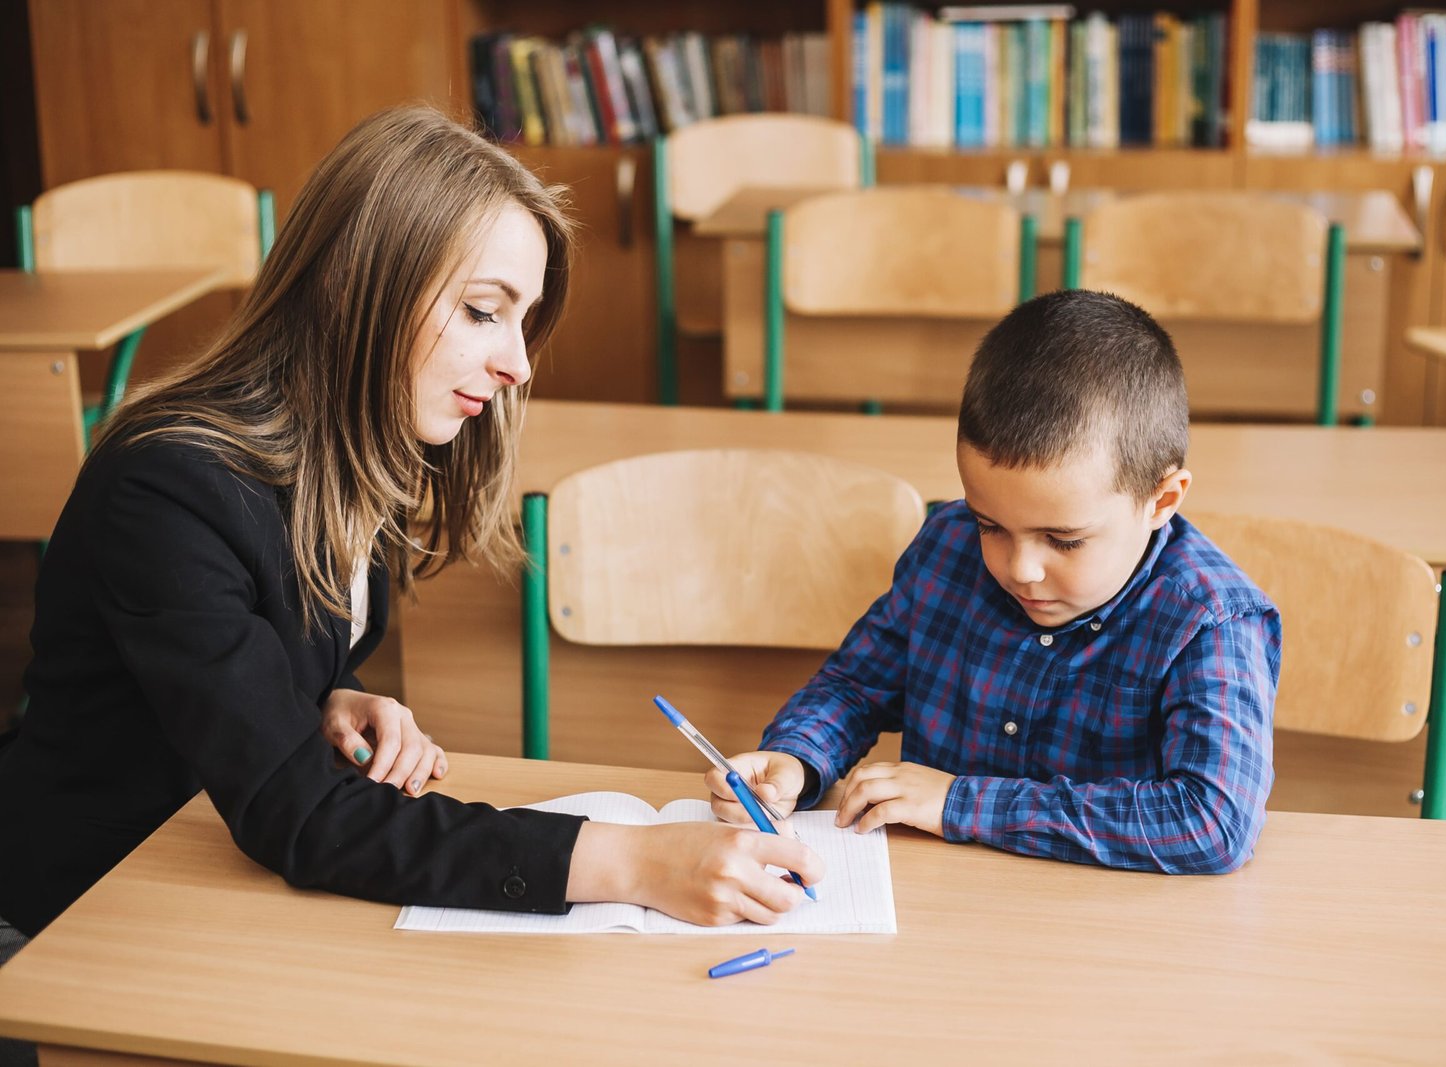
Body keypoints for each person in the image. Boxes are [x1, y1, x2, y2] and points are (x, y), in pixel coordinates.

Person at [0, 106, 822, 961]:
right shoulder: (167, 486)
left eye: (522, 319)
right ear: (360, 287)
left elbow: (227, 648)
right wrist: (634, 859)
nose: (519, 365)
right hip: (68, 918)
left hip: (199, 882)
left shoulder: (362, 441)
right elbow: (301, 812)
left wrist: (321, 694)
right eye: (481, 311)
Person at [707, 289, 1281, 874]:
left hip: (1104, 935)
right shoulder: (946, 547)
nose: (1019, 569)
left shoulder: (1212, 621)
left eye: (1064, 540)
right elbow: (855, 687)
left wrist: (962, 802)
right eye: (991, 524)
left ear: (1161, 500)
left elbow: (1211, 822)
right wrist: (797, 759)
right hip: (939, 903)